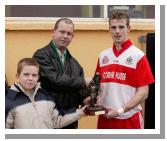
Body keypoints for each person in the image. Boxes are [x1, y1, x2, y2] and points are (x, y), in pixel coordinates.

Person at [95, 10, 155, 129]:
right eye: (113, 27)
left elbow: (143, 93)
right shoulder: (103, 56)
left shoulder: (138, 56)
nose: (117, 31)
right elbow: (97, 85)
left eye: (121, 27)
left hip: (129, 120)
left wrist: (120, 111)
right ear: (109, 30)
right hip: (104, 118)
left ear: (128, 28)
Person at [33, 18, 89, 129]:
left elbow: (78, 91)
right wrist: (83, 81)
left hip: (70, 121)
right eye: (62, 32)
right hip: (47, 121)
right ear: (53, 32)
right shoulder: (41, 56)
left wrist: (86, 100)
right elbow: (54, 80)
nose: (65, 36)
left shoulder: (75, 64)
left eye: (69, 33)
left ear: (72, 37)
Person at [5, 58, 86, 129]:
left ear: (38, 77)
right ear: (17, 76)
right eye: (26, 74)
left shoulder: (46, 96)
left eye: (34, 75)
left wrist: (80, 113)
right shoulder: (8, 100)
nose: (30, 78)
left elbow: (56, 121)